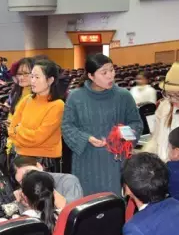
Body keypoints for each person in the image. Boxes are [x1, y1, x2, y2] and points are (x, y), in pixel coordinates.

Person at [61, 54, 143, 196]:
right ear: (91, 76)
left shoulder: (123, 96)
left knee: (113, 202)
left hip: (115, 161)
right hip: (85, 161)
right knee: (87, 203)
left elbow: (136, 124)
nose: (110, 76)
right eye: (104, 72)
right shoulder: (76, 97)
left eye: (111, 70)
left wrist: (120, 137)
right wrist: (86, 138)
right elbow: (67, 126)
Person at [8, 59, 65, 170]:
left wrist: (18, 130)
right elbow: (10, 129)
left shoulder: (57, 105)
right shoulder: (26, 100)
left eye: (37, 77)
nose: (32, 81)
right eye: (32, 76)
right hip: (20, 158)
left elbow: (38, 137)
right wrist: (19, 131)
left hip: (45, 162)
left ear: (50, 80)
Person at [12, 155, 83, 205]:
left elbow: (72, 213)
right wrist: (26, 205)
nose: (29, 180)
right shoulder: (23, 194)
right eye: (22, 181)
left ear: (39, 166)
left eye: (30, 173)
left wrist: (45, 189)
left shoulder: (68, 181)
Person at [5, 58, 34, 153]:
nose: (21, 77)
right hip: (12, 144)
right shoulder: (17, 92)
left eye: (25, 73)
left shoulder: (39, 95)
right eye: (19, 74)